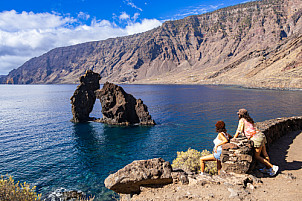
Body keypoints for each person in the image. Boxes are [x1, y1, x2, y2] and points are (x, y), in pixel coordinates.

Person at [233, 108, 279, 176]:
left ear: (240, 115)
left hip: (256, 138)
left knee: (257, 156)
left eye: (239, 114)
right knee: (264, 153)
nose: (238, 115)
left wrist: (234, 138)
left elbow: (239, 130)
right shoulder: (249, 120)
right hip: (261, 135)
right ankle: (267, 169)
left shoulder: (242, 120)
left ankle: (272, 167)